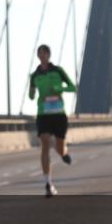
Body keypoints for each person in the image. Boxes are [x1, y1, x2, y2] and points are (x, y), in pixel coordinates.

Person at [27, 44, 76, 198]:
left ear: (48, 55)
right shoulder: (34, 75)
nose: (41, 56)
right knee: (45, 143)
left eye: (43, 53)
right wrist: (32, 92)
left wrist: (60, 89)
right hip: (43, 114)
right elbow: (31, 96)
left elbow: (73, 87)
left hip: (59, 114)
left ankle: (63, 153)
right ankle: (48, 184)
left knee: (60, 147)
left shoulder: (58, 71)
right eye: (38, 54)